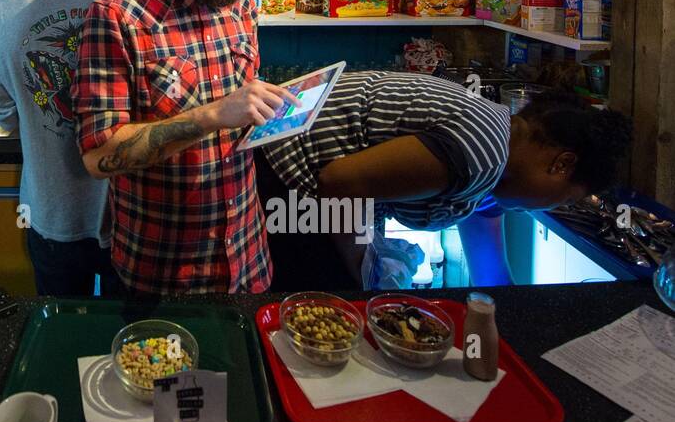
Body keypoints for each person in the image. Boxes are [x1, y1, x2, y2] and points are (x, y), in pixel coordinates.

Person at [72, 0, 299, 296]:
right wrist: (212, 115)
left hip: (248, 260)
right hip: (161, 273)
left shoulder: (243, 4)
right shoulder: (119, 15)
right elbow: (99, 157)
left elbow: (241, 115)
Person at [259, 70, 634, 287]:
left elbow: (490, 272)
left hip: (292, 170)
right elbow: (339, 184)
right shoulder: (482, 153)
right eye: (565, 199)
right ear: (561, 165)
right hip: (286, 177)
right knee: (324, 307)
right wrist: (363, 271)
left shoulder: (497, 151)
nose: (552, 207)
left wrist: (499, 313)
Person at [0, 0, 142, 296]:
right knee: (132, 342)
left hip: (49, 208)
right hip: (130, 213)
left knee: (60, 331)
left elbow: (4, 114)